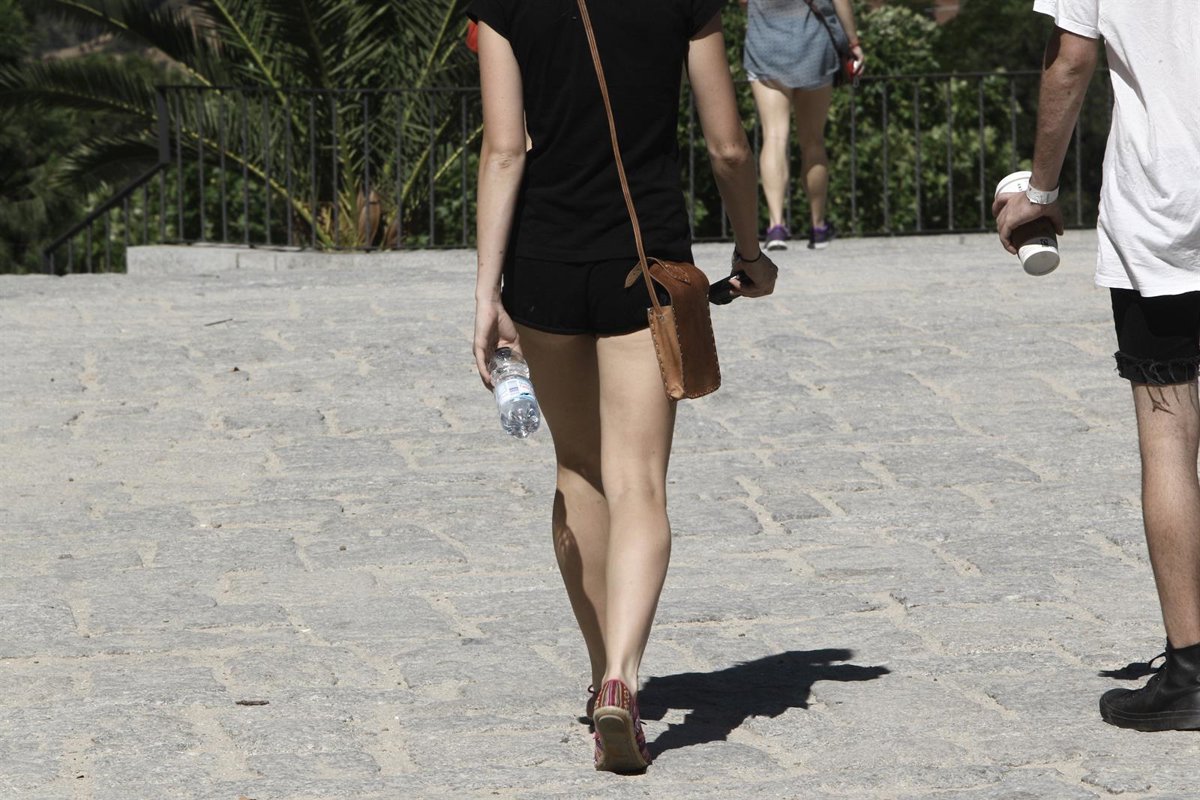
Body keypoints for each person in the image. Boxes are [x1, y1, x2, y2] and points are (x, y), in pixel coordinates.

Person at [468, 0, 778, 773]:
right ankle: (621, 678)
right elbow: (728, 146)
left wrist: (484, 293)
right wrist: (749, 251)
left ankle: (599, 666)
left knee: (577, 470)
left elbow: (504, 149)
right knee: (638, 481)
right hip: (645, 259)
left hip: (542, 261)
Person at [994, 0, 1200, 731]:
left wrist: (1039, 193)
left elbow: (1071, 63)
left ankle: (1191, 671)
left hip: (1168, 211)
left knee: (1169, 438)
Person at [741, 0, 864, 251]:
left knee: (774, 137)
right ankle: (818, 227)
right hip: (813, 47)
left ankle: (776, 226)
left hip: (765, 46)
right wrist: (853, 42)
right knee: (813, 141)